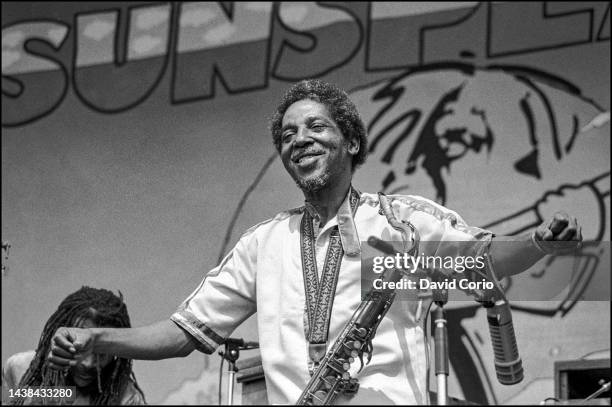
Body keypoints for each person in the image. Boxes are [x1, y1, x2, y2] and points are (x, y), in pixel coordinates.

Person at [47, 80, 582, 404]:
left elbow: (483, 264)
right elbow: (183, 333)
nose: (298, 140)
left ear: (351, 140)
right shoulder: (263, 243)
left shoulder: (403, 221)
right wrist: (99, 342)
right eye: (287, 135)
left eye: (315, 128)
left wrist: (539, 242)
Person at [3, 286, 145, 405]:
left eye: (101, 352)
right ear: (61, 338)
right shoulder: (18, 368)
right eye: (79, 348)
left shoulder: (126, 399)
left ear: (116, 351)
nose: (88, 364)